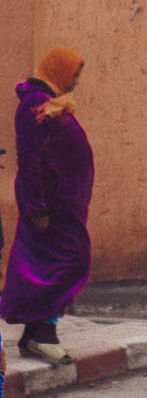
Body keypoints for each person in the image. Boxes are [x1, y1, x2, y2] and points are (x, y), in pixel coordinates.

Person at [0, 46, 94, 364]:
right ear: (57, 71)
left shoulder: (50, 102)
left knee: (48, 265)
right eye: (73, 75)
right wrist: (37, 207)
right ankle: (42, 335)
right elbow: (30, 159)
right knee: (70, 262)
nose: (75, 83)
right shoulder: (33, 106)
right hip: (48, 206)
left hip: (64, 205)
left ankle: (37, 335)